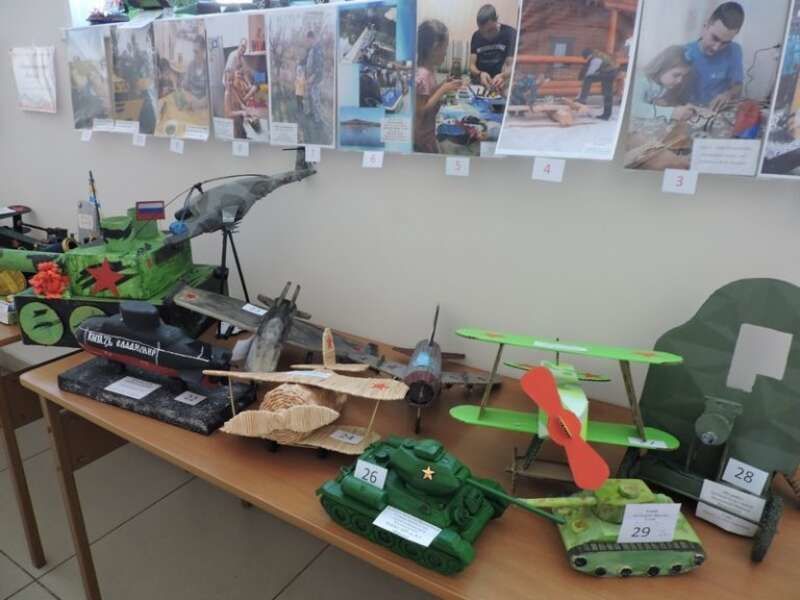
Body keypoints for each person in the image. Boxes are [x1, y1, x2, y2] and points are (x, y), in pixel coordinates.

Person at [684, 2, 744, 111]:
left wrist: (728, 94)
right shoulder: (684, 52)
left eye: (725, 43)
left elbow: (738, 85)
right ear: (705, 27)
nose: (716, 48)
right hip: (689, 112)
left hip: (717, 113)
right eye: (715, 38)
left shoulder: (735, 50)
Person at [414, 19, 463, 153]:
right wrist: (443, 89)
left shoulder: (429, 72)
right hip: (422, 140)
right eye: (445, 48)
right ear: (435, 49)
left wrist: (443, 84)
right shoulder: (422, 75)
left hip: (428, 133)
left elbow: (428, 94)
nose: (446, 53)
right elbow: (421, 110)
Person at [630, 45, 696, 122]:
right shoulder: (640, 80)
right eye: (676, 75)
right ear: (662, 67)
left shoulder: (662, 85)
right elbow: (634, 108)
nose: (680, 81)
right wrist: (672, 113)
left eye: (683, 76)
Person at [469, 4, 516, 93]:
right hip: (479, 82)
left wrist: (503, 76)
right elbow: (472, 65)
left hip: (500, 82)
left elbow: (510, 65)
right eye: (482, 31)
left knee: (507, 92)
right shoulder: (476, 36)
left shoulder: (510, 34)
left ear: (496, 21)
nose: (486, 35)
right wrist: (480, 74)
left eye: (490, 30)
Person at [576, 48, 619, 120]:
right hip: (611, 72)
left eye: (586, 57)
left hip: (608, 73)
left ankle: (582, 99)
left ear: (588, 55)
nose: (587, 59)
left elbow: (590, 72)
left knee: (588, 79)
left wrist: (584, 80)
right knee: (607, 94)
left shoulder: (596, 59)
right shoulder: (598, 55)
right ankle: (606, 115)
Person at [303, 30, 325, 141]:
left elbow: (319, 65)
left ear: (312, 38)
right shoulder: (311, 48)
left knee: (316, 99)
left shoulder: (318, 49)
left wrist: (313, 76)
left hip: (316, 79)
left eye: (308, 40)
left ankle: (318, 121)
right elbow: (308, 62)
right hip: (310, 78)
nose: (307, 42)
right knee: (311, 97)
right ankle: (312, 113)